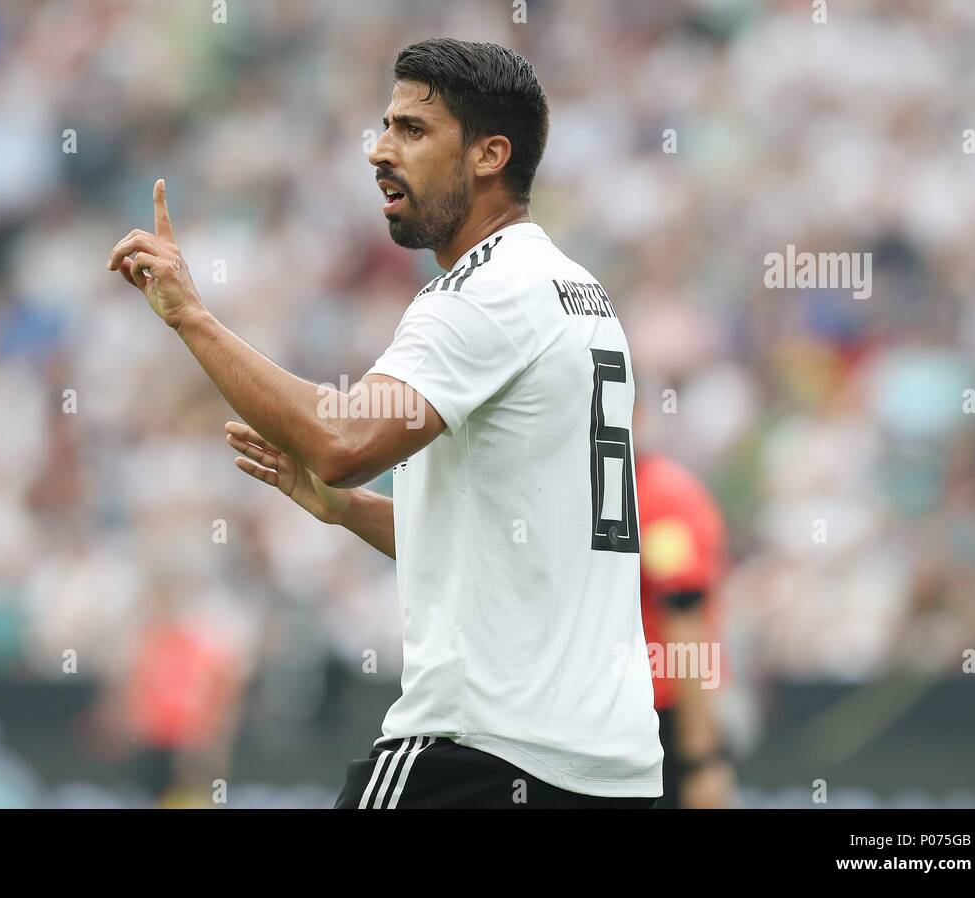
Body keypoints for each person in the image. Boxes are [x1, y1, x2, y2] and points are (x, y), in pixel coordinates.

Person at [106, 38, 660, 808]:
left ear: (489, 154)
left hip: (482, 753)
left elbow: (343, 442)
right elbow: (517, 547)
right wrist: (349, 512)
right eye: (383, 126)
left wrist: (191, 317)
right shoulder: (580, 295)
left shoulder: (483, 292)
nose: (378, 150)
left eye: (411, 129)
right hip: (609, 770)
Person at [636, 451, 736, 808]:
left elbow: (683, 619)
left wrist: (699, 758)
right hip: (638, 710)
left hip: (665, 713)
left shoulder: (660, 496)